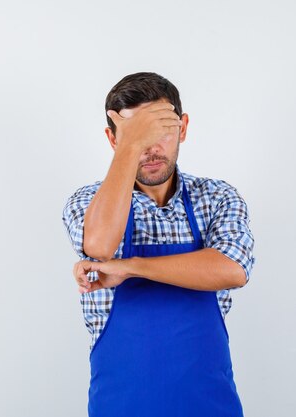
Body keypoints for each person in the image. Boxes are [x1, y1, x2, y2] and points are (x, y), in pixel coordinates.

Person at [62, 72, 256, 417]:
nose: (151, 148)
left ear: (182, 128)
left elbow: (232, 269)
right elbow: (100, 247)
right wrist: (131, 144)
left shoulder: (216, 198)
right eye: (137, 135)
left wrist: (131, 267)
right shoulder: (89, 201)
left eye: (161, 131)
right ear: (113, 139)